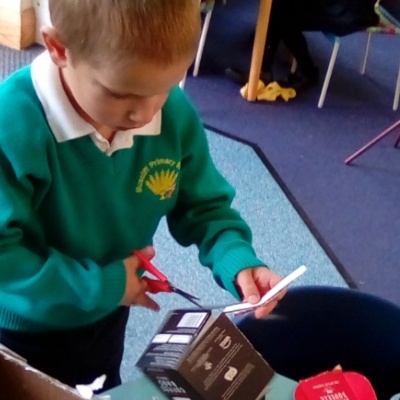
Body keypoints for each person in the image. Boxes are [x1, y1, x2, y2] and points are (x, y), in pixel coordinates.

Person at [0, 0, 283, 392]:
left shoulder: (171, 113)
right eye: (121, 94)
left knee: (101, 386)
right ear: (59, 49)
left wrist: (235, 258)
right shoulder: (11, 126)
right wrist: (101, 286)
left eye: (166, 88)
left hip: (110, 309)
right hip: (27, 326)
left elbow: (204, 206)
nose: (146, 114)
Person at [226, 0, 379, 92]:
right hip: (336, 6)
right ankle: (264, 68)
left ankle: (306, 72)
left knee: (282, 13)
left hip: (347, 13)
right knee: (281, 6)